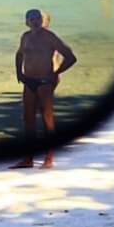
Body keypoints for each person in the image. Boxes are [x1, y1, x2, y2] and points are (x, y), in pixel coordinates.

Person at [14, 9, 76, 167]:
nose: (35, 21)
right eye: (31, 19)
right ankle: (29, 158)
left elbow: (70, 56)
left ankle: (49, 156)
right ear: (26, 21)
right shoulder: (25, 37)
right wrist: (19, 73)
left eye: (37, 19)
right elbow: (19, 54)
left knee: (47, 118)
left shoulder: (49, 37)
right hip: (29, 81)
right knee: (28, 120)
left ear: (41, 21)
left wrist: (56, 72)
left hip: (44, 82)